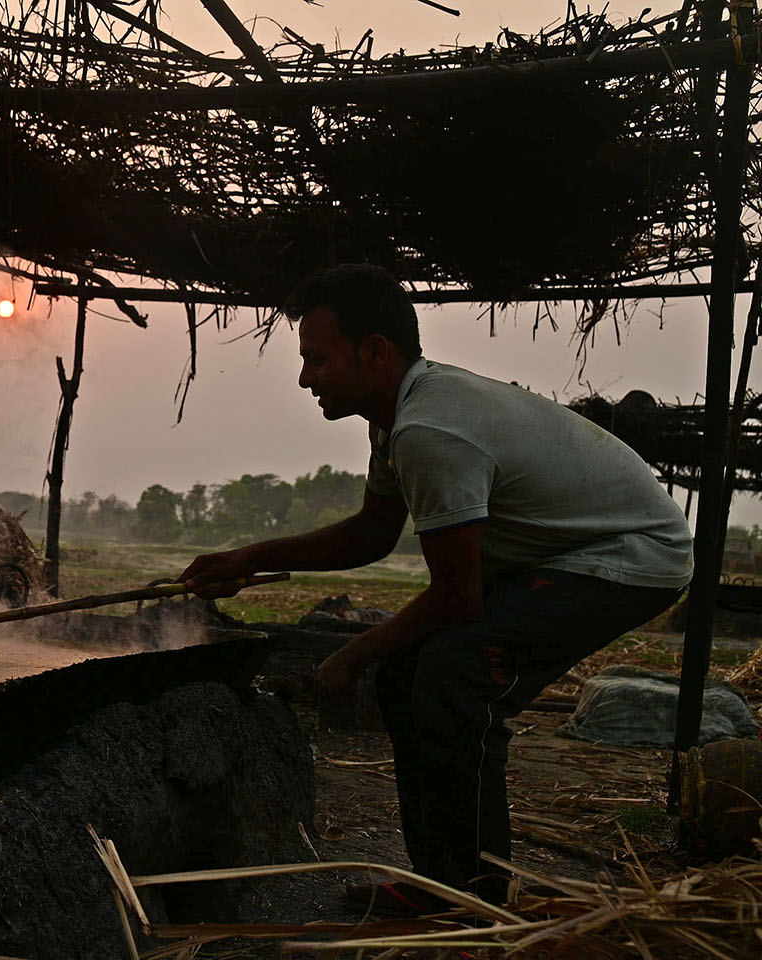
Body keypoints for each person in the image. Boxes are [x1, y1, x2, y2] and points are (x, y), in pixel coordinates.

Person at [180, 264, 692, 909]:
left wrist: (349, 654)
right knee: (405, 675)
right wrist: (247, 557)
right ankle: (436, 885)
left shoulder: (430, 432)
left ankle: (473, 904)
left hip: (628, 558)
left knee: (460, 675)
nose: (306, 378)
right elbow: (371, 534)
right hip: (565, 555)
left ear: (376, 352)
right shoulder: (398, 419)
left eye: (318, 359)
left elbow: (458, 597)